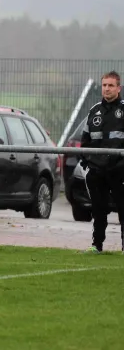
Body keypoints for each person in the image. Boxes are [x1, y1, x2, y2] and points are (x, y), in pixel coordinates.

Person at [80, 70, 124, 254]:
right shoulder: (94, 111)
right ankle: (97, 246)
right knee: (98, 211)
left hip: (120, 169)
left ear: (118, 88)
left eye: (111, 85)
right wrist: (89, 164)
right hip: (97, 171)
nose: (107, 89)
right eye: (104, 85)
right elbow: (85, 142)